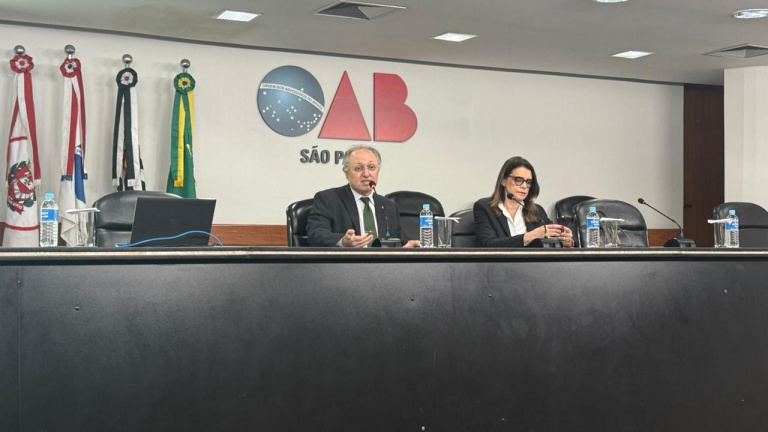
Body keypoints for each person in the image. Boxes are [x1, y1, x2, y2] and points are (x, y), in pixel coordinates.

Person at [307, 145, 420, 248]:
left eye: (371, 167)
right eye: (358, 168)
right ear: (346, 172)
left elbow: (395, 241)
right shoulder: (328, 199)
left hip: (383, 263)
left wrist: (405, 248)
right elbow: (316, 234)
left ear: (378, 171)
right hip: (347, 263)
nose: (366, 174)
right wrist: (343, 241)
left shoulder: (388, 206)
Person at [474, 156, 574, 247]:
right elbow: (487, 244)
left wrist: (567, 241)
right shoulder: (485, 208)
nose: (524, 186)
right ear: (503, 181)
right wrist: (530, 237)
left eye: (528, 182)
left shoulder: (536, 211)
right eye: (518, 180)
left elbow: (561, 238)